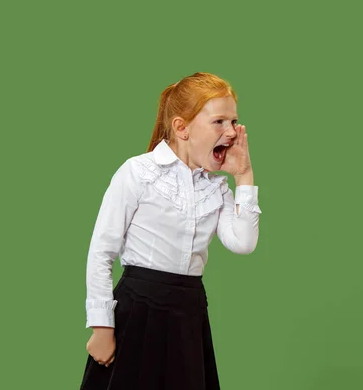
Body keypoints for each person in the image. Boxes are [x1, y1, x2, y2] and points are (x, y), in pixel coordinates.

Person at [79, 72, 262, 390]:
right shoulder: (138, 173)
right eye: (219, 122)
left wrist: (244, 176)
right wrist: (101, 325)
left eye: (234, 122)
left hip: (187, 315)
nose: (231, 132)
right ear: (182, 128)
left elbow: (243, 242)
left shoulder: (216, 187)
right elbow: (101, 251)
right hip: (137, 312)